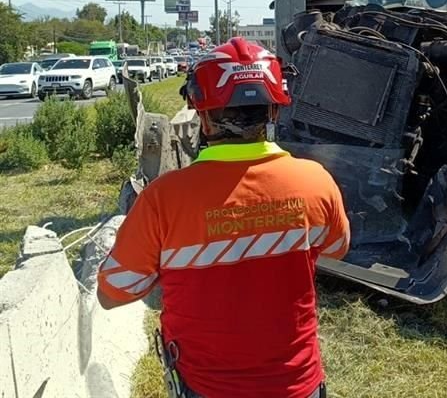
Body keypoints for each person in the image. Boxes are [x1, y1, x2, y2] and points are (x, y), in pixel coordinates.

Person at [97, 37, 350, 398]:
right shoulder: (316, 182)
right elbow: (338, 248)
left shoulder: (163, 199)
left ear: (202, 115)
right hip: (299, 385)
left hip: (204, 388)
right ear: (274, 111)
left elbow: (111, 292)